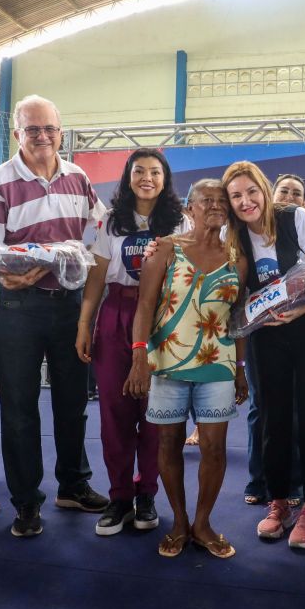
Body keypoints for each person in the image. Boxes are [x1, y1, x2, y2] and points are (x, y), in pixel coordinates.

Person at [0, 94, 108, 539]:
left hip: (70, 306)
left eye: (49, 128)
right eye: (32, 129)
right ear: (18, 133)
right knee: (18, 408)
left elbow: (99, 231)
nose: (42, 136)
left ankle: (73, 485)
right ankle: (26, 501)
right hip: (20, 307)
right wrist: (9, 274)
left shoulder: (79, 177)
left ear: (61, 132)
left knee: (73, 403)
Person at [125, 179, 248, 559]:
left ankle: (203, 524)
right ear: (189, 209)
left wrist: (240, 368)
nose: (215, 205)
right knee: (168, 444)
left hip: (218, 364)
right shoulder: (164, 248)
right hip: (168, 364)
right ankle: (179, 522)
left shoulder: (238, 258)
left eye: (221, 200)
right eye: (206, 199)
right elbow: (145, 306)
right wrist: (139, 358)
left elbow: (239, 317)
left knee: (214, 448)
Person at [224, 161, 305, 549]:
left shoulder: (295, 218)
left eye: (251, 191)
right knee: (272, 418)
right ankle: (278, 503)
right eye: (236, 196)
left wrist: (300, 310)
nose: (246, 201)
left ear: (264, 190)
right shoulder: (233, 234)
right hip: (267, 334)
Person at [77, 149, 183, 536]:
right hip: (116, 314)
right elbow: (97, 276)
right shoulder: (111, 220)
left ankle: (147, 493)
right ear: (128, 177)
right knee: (115, 412)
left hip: (163, 319)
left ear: (165, 179)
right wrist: (84, 323)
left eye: (155, 172)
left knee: (155, 413)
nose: (147, 178)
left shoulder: (180, 221)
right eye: (139, 171)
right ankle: (119, 496)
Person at [234, 170, 305, 503]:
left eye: (296, 193)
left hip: (297, 331)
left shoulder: (300, 231)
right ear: (270, 195)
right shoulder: (240, 234)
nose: (289, 198)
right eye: (284, 192)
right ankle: (258, 479)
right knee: (259, 406)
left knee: (293, 409)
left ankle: (293, 483)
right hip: (258, 334)